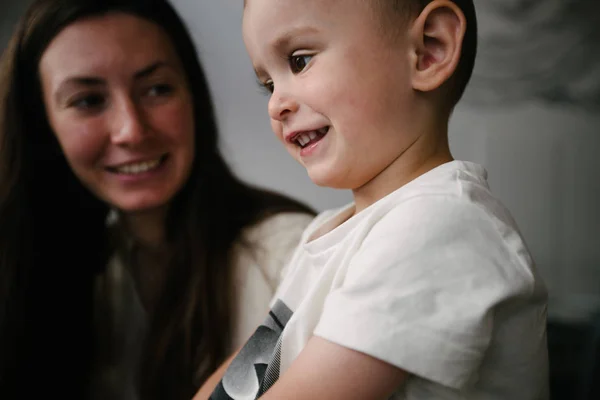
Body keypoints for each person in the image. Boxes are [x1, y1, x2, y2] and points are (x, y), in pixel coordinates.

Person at [196, 0, 550, 399]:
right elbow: (243, 379)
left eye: (299, 61)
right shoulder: (328, 232)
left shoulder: (441, 227)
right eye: (269, 84)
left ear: (428, 50)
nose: (276, 105)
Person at [0, 0, 314, 399]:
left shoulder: (292, 258)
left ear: (193, 96)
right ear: (41, 124)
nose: (131, 130)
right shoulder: (52, 272)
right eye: (88, 100)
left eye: (157, 89)